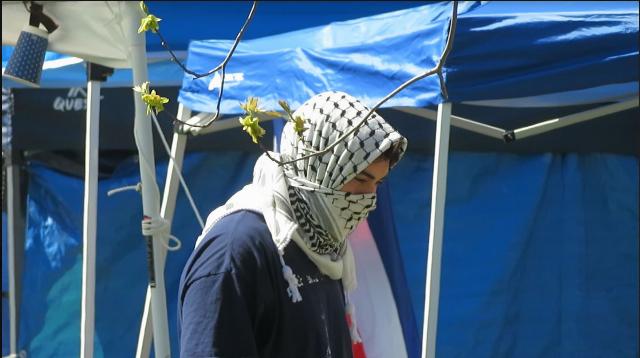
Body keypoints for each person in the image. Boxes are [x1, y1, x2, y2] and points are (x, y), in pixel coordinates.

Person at [178, 91, 407, 358]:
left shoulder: (324, 246)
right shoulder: (235, 252)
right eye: (360, 179)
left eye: (377, 184)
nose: (369, 199)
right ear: (316, 165)